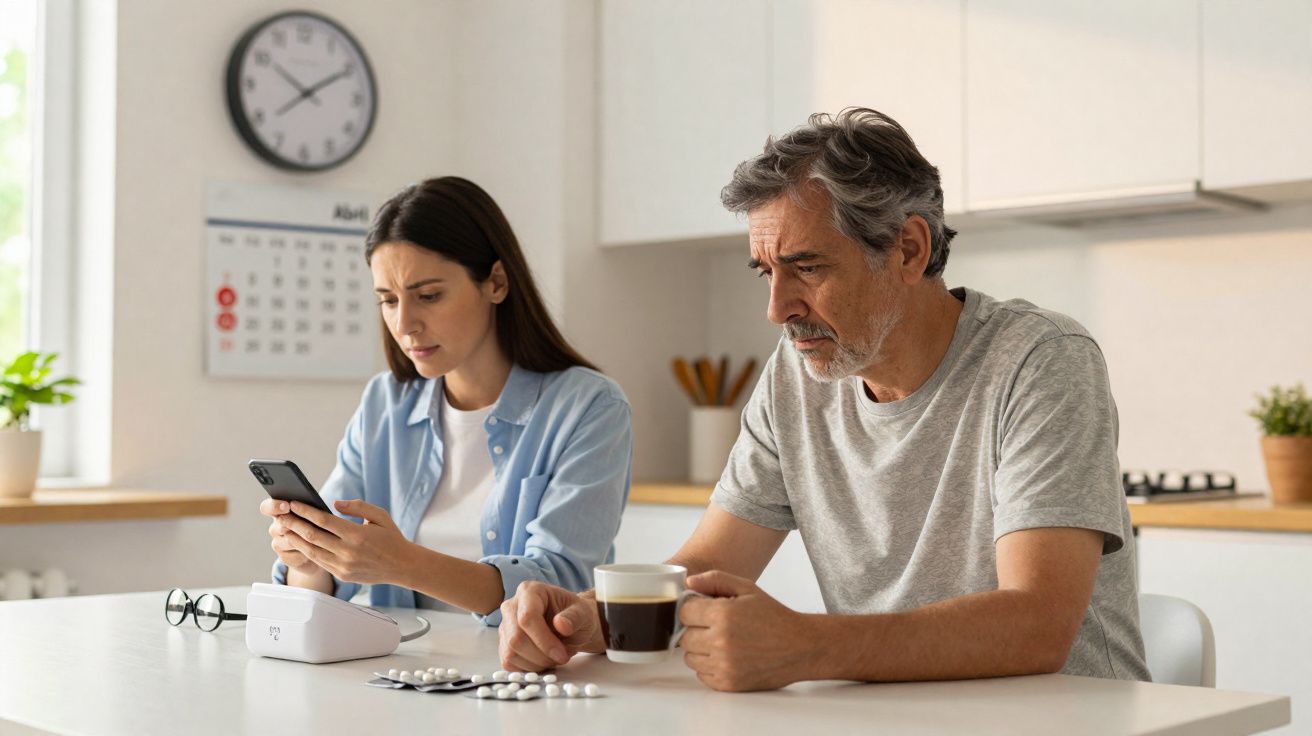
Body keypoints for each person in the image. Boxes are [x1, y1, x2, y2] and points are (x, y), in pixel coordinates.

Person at [497, 108, 1150, 687]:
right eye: (766, 272)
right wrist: (584, 616)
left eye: (807, 268)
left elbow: (1036, 622)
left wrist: (809, 646)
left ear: (909, 249)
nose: (777, 309)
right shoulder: (798, 375)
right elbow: (707, 563)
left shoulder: (1040, 360)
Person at [261, 176, 632, 624]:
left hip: (526, 677)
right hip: (406, 674)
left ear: (495, 282)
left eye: (428, 296)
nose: (405, 324)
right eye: (388, 300)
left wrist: (400, 563)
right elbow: (327, 587)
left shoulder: (588, 407)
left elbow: (563, 584)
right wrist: (310, 562)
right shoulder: (385, 404)